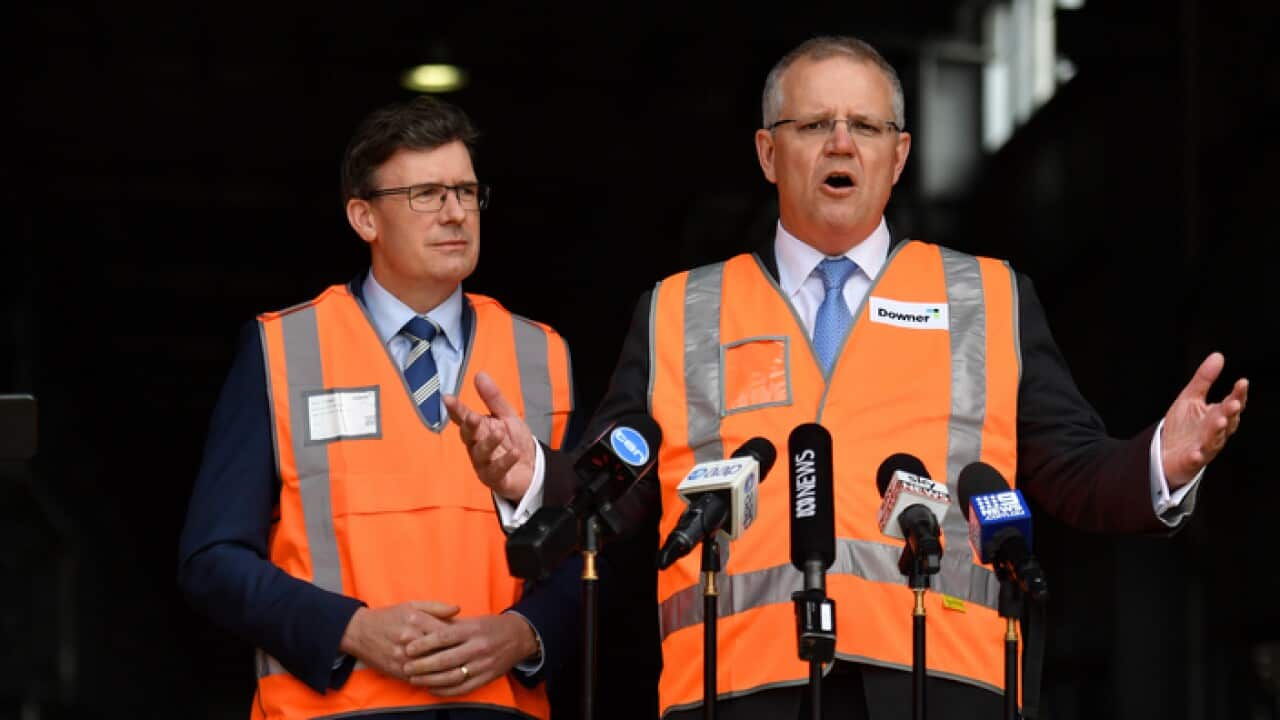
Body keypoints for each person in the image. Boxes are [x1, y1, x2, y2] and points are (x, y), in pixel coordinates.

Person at [449, 36, 1249, 720]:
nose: (841, 143)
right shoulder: (679, 309)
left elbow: (1072, 471)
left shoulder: (988, 296)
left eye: (865, 126)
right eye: (814, 125)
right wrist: (531, 479)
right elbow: (611, 495)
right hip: (736, 686)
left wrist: (1159, 464)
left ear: (898, 156)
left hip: (942, 679)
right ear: (768, 151)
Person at [178, 95, 579, 720]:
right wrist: (350, 628)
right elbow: (213, 560)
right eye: (426, 194)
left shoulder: (541, 354)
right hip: (331, 709)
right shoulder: (283, 348)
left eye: (467, 193)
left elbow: (595, 542)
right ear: (364, 218)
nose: (455, 214)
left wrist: (525, 633)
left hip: (494, 710)